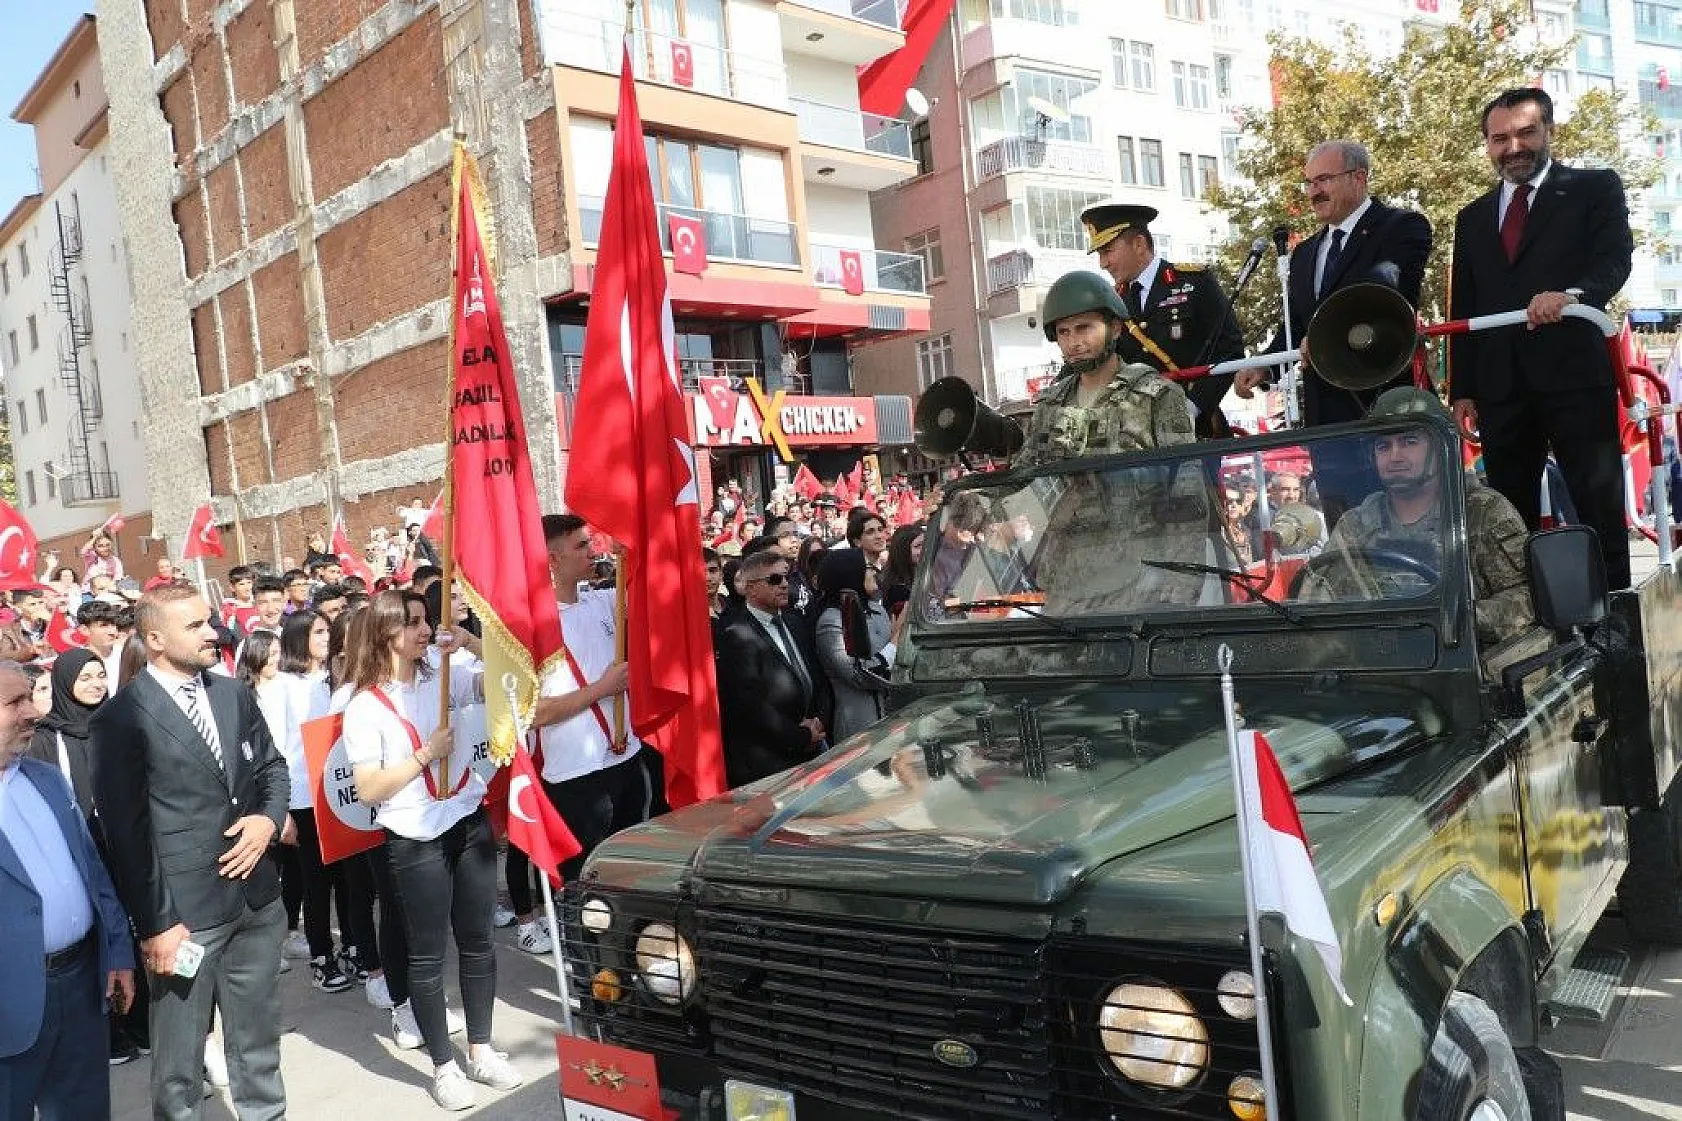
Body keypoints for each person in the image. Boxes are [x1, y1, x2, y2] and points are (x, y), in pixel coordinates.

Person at [90, 585, 290, 1121]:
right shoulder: (121, 719)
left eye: (211, 621)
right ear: (155, 639)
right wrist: (156, 924)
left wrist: (266, 820)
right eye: (196, 626)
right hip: (183, 918)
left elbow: (272, 768)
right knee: (179, 1066)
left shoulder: (233, 695)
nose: (213, 633)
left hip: (255, 900)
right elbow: (126, 836)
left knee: (258, 1045)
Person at [1447, 87, 1635, 590]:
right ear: (1487, 145)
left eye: (1526, 133)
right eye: (1499, 138)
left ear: (1549, 131)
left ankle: (1614, 625)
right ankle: (1532, 628)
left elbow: (1614, 259)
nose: (1514, 147)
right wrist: (1462, 389)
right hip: (1501, 386)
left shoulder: (1595, 188)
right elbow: (1463, 304)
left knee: (1598, 509)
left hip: (1573, 374)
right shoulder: (1471, 218)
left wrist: (1573, 295)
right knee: (1511, 519)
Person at [341, 591, 519, 1111]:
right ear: (385, 634)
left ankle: (481, 1050)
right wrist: (425, 755)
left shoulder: (445, 677)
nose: (426, 631)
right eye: (414, 623)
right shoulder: (363, 706)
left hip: (466, 820)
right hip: (414, 834)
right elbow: (370, 789)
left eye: (427, 622)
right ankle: (444, 1065)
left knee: (478, 940)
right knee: (426, 954)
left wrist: (468, 640)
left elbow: (505, 677)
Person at [0, 659, 137, 1120]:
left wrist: (117, 953)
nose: (31, 713)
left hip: (81, 985)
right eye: (13, 702)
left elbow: (93, 875)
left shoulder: (47, 779)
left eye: (29, 698)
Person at [1297, 387, 1534, 647]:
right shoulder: (1357, 524)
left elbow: (1527, 597)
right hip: (1377, 664)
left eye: (1409, 442)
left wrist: (1459, 619)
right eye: (1383, 446)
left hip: (1462, 663)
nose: (1395, 456)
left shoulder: (1483, 512)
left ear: (1440, 447)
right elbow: (1319, 603)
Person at [1237, 140, 1432, 426]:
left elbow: (1383, 291)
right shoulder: (1304, 253)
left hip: (1384, 401)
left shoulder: (1402, 226)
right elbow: (1297, 324)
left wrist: (1324, 336)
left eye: (1324, 180)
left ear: (1359, 177)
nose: (1314, 191)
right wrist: (1265, 365)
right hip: (1324, 414)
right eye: (1310, 183)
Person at [522, 515, 646, 914]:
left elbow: (654, 593)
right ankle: (587, 969)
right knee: (585, 891)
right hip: (576, 778)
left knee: (627, 879)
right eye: (581, 545)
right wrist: (601, 690)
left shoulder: (602, 599)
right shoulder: (529, 626)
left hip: (626, 760)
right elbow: (533, 713)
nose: (593, 551)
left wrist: (636, 554)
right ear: (552, 560)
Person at [1080, 202, 1243, 439]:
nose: (1103, 263)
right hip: (1136, 432)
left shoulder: (1194, 282)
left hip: (1195, 428)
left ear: (1138, 244)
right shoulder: (1113, 303)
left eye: (1107, 251)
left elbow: (1230, 349)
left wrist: (1191, 407)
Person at [1016, 270, 1196, 467]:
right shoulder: (1048, 404)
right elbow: (1023, 478)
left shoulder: (1158, 397)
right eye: (1063, 332)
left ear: (1116, 329)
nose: (1073, 342)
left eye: (1083, 328)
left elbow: (1186, 482)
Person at [714, 549, 832, 788]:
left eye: (786, 576)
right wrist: (800, 737)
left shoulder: (794, 622)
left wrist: (819, 723)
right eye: (774, 579)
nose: (784, 584)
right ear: (750, 588)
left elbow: (817, 679)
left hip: (812, 750)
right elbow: (749, 706)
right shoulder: (736, 635)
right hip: (769, 765)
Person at [812, 550, 903, 743]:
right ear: (849, 574)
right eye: (866, 567)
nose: (873, 572)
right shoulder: (832, 621)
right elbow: (861, 675)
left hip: (895, 720)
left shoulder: (877, 611)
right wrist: (897, 640)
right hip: (860, 729)